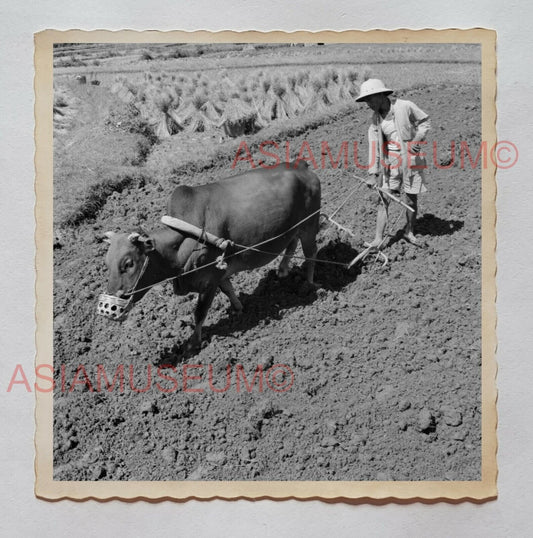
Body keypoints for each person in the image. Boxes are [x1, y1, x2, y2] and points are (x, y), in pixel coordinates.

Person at [355, 79, 431, 248]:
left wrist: (417, 140)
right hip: (392, 164)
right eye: (366, 101)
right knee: (383, 199)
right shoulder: (375, 121)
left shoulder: (405, 106)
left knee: (411, 200)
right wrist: (372, 174)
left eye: (371, 99)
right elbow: (374, 147)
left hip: (412, 160)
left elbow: (425, 122)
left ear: (382, 95)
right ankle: (378, 239)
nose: (368, 104)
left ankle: (409, 232)